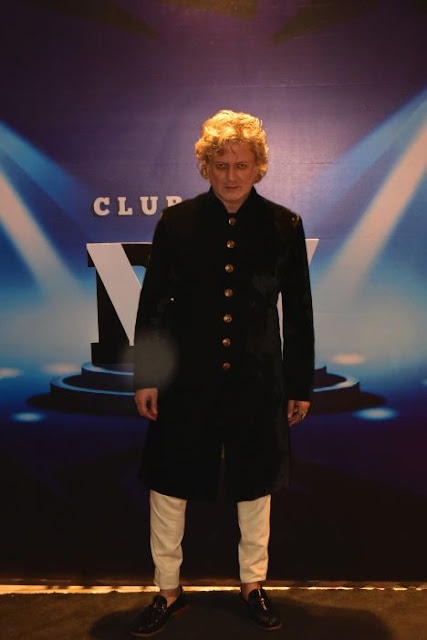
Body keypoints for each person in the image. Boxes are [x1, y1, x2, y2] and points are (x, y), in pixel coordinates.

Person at [130, 109, 314, 636]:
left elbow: (298, 314)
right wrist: (146, 375)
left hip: (259, 378)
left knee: (255, 485)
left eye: (241, 164)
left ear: (259, 167)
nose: (231, 175)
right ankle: (167, 589)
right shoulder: (177, 223)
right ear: (205, 166)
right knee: (169, 483)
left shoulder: (285, 225)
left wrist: (298, 384)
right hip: (186, 379)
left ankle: (253, 585)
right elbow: (152, 305)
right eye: (221, 164)